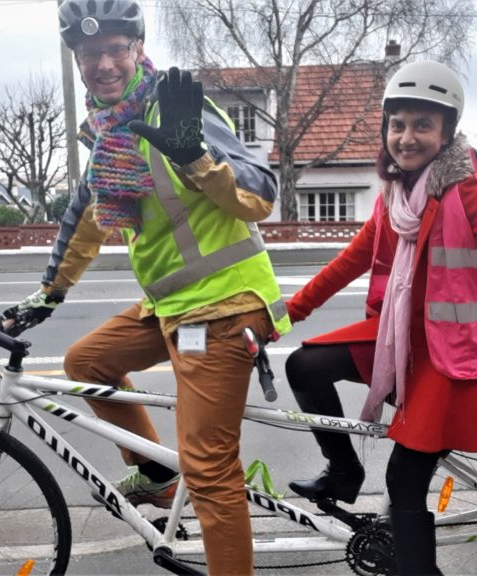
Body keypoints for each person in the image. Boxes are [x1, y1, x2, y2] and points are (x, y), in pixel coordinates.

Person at [15, 1, 291, 573]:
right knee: (86, 362)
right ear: (78, 60)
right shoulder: (107, 131)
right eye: (91, 53)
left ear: (138, 49)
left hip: (225, 305)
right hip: (173, 304)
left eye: (117, 48)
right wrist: (47, 296)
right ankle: (161, 479)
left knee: (211, 468)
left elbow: (261, 194)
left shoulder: (174, 105)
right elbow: (86, 217)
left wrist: (196, 157)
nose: (105, 63)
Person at [285, 60, 477, 574]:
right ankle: (343, 473)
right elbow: (351, 261)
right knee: (304, 367)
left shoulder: (468, 182)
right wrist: (282, 316)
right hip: (405, 339)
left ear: (446, 131)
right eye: (397, 124)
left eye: (422, 125)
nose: (406, 137)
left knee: (405, 478)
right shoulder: (396, 191)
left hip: (461, 354)